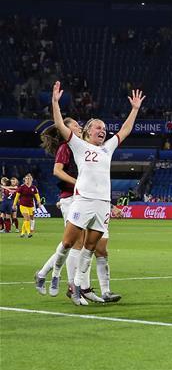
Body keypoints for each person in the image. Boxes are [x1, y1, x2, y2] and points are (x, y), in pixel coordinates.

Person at [36, 82, 144, 306]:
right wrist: (55, 103)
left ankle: (77, 287)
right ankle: (54, 276)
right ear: (86, 132)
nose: (102, 130)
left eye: (104, 128)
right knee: (68, 244)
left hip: (102, 204)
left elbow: (125, 130)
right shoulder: (77, 145)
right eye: (97, 127)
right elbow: (59, 123)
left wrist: (134, 109)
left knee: (89, 248)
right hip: (82, 201)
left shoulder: (108, 148)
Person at [35, 119, 121, 302]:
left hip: (90, 198)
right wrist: (78, 184)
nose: (78, 126)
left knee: (92, 245)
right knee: (74, 243)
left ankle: (80, 286)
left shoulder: (89, 147)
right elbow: (57, 171)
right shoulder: (69, 146)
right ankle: (70, 284)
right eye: (74, 124)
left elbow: (96, 179)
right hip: (74, 197)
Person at [12, 174, 41, 238]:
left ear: (31, 180)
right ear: (24, 180)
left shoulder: (34, 188)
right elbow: (17, 197)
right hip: (23, 205)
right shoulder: (21, 187)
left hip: (30, 206)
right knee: (27, 218)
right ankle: (28, 233)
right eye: (26, 179)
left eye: (29, 179)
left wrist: (39, 202)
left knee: (26, 219)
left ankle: (22, 233)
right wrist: (14, 204)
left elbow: (37, 196)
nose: (27, 180)